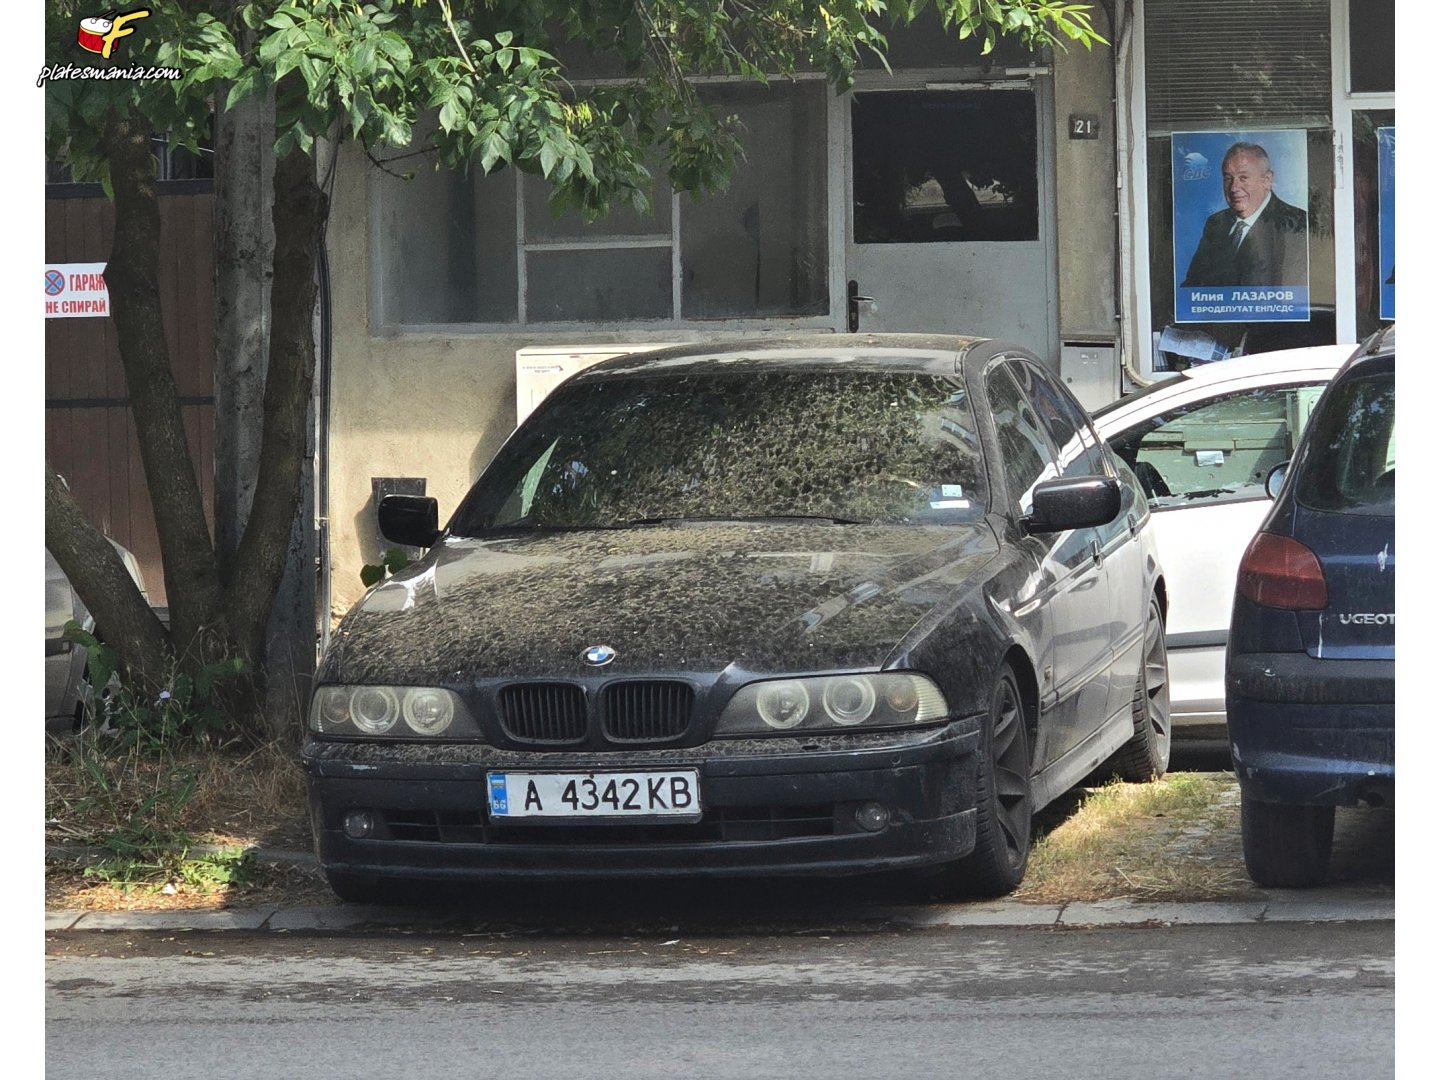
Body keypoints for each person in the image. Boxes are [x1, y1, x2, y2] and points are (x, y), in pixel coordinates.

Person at [1181, 141, 1308, 288]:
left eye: (1243, 178)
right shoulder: (1216, 223)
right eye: (1228, 178)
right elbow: (1192, 287)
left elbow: (1293, 296)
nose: (1234, 188)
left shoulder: (1295, 224)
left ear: (1266, 180)